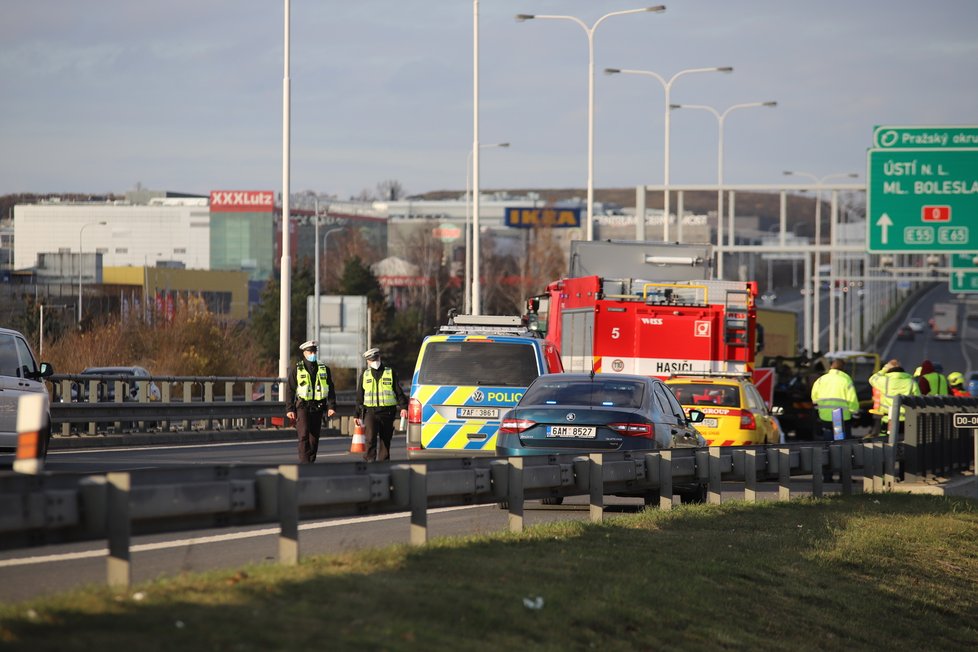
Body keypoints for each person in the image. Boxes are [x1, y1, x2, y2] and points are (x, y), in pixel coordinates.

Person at [286, 340, 337, 463]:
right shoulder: (297, 370)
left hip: (318, 407)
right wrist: (289, 409)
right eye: (310, 351)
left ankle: (311, 462)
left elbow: (330, 389)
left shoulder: (324, 369)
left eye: (314, 351)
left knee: (314, 437)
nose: (312, 353)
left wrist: (331, 406)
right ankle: (305, 464)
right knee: (303, 434)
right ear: (304, 353)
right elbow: (290, 390)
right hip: (302, 406)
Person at [356, 347, 408, 462]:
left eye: (375, 358)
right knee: (370, 438)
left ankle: (384, 463)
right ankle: (370, 461)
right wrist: (357, 414)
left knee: (386, 439)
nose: (374, 362)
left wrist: (404, 407)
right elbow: (360, 396)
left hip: (387, 412)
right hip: (370, 412)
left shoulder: (390, 372)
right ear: (368, 362)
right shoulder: (365, 375)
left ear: (379, 357)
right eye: (371, 360)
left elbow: (398, 391)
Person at [810, 358, 859, 441]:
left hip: (825, 417)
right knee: (840, 442)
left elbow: (814, 397)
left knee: (828, 441)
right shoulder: (846, 380)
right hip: (840, 417)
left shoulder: (821, 379)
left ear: (831, 367)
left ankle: (828, 453)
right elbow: (852, 399)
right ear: (843, 368)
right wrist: (855, 414)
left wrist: (818, 409)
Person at [869, 359, 920, 437]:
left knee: (885, 441)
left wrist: (884, 369)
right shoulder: (911, 382)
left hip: (888, 418)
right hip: (906, 419)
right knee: (906, 441)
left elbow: (872, 379)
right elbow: (917, 399)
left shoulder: (885, 381)